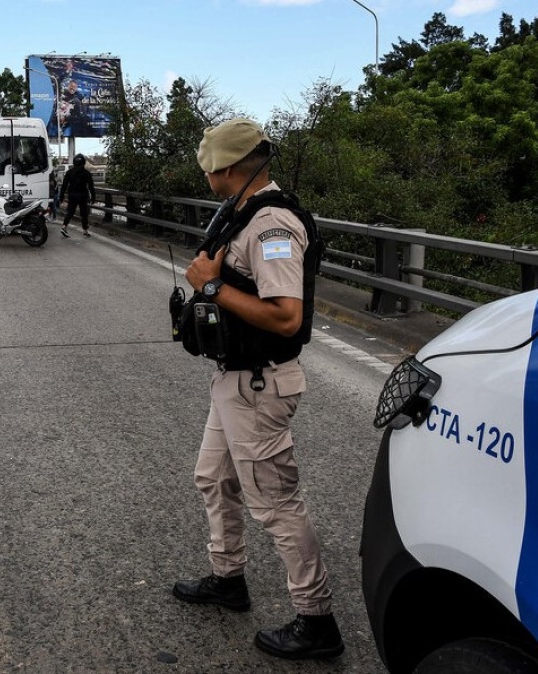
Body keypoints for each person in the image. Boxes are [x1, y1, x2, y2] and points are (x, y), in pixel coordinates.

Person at [172, 118, 343, 661]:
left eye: (208, 164)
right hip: (235, 379)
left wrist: (213, 287)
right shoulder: (242, 212)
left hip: (259, 384)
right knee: (212, 478)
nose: (206, 173)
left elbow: (287, 317)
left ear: (226, 166)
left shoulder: (271, 225)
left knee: (276, 504)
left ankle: (317, 620)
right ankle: (228, 579)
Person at [59, 154, 96, 237]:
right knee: (84, 213)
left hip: (72, 195)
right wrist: (93, 197)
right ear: (83, 162)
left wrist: (61, 197)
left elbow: (64, 185)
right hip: (83, 195)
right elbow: (91, 186)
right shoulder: (86, 173)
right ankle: (85, 230)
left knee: (70, 212)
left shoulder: (69, 172)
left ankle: (64, 227)